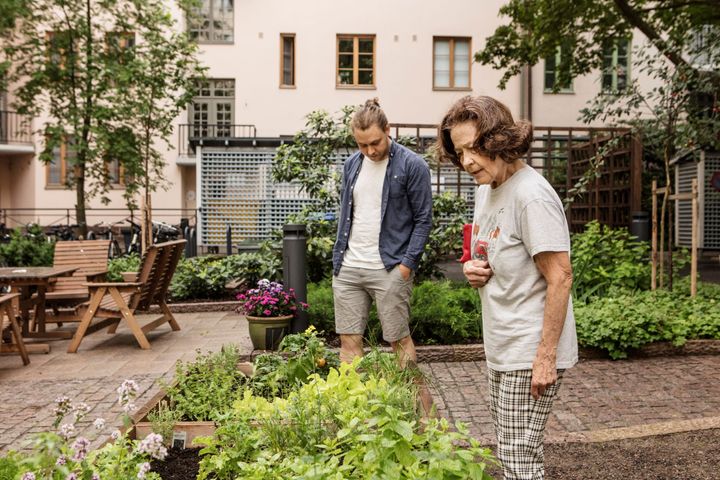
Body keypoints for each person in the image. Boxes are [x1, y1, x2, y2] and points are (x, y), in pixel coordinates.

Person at [438, 95, 578, 480]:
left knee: (519, 461)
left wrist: (545, 357)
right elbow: (487, 251)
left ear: (499, 140)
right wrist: (473, 268)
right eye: (459, 150)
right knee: (510, 454)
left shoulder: (531, 196)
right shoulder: (487, 189)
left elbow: (560, 276)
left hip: (528, 349)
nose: (466, 161)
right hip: (502, 344)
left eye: (473, 148)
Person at [332, 98, 432, 368]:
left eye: (375, 142)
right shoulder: (352, 165)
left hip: (389, 267)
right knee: (349, 343)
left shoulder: (412, 165)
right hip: (349, 266)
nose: (370, 150)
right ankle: (354, 407)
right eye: (362, 144)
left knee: (398, 340)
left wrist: (407, 265)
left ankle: (416, 408)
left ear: (388, 130)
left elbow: (424, 219)